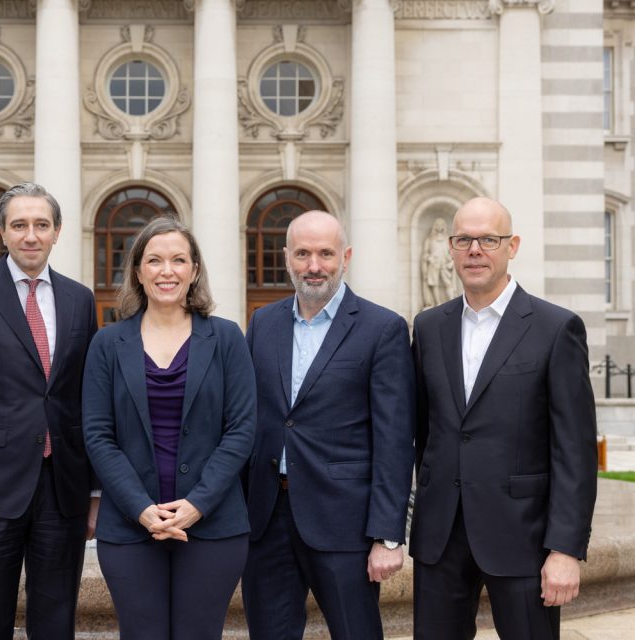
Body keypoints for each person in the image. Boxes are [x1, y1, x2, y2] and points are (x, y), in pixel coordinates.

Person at [410, 196, 598, 639]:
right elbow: (421, 430)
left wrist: (565, 549)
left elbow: (574, 450)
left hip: (524, 539)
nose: (474, 250)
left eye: (488, 239)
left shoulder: (556, 328)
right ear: (451, 249)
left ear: (511, 246)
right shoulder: (429, 326)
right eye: (463, 240)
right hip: (441, 540)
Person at [0, 182, 99, 639]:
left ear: (57, 232)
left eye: (41, 225)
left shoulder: (79, 299)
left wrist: (93, 494)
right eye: (20, 225)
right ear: (2, 232)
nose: (31, 235)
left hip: (62, 492)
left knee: (56, 626)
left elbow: (87, 401)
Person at [241, 211, 415, 639]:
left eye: (324, 253)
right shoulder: (264, 323)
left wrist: (388, 535)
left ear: (346, 257)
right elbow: (251, 420)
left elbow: (394, 439)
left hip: (345, 524)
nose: (313, 265)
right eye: (302, 253)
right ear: (286, 258)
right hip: (267, 519)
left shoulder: (382, 328)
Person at [82, 216, 256, 640]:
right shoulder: (107, 343)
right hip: (129, 527)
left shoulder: (227, 337)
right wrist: (139, 508)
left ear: (194, 270)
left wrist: (197, 503)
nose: (167, 271)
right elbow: (98, 435)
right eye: (155, 260)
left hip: (213, 526)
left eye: (179, 260)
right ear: (138, 271)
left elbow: (242, 428)